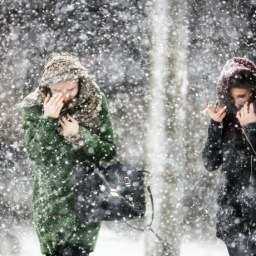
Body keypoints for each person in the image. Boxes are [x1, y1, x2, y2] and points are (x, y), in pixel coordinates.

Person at [18, 52, 116, 256]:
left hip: (84, 195)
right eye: (57, 91)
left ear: (80, 82)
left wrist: (80, 136)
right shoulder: (34, 106)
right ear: (47, 88)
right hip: (50, 198)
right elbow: (37, 154)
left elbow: (108, 152)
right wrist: (48, 120)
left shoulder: (94, 102)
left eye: (70, 89)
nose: (65, 96)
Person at [202, 57, 256, 256]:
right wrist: (215, 126)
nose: (237, 103)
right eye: (232, 98)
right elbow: (210, 162)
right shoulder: (227, 120)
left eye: (241, 96)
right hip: (233, 216)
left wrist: (251, 128)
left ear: (252, 92)